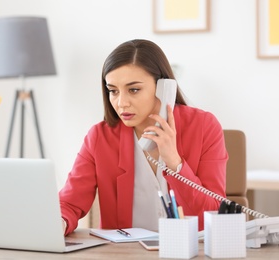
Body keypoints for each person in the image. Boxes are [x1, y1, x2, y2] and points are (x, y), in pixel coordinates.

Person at [59, 39, 228, 236]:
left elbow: (214, 213)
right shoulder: (100, 136)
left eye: (134, 90)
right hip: (125, 254)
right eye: (113, 91)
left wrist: (175, 163)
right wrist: (59, 223)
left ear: (163, 88)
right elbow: (69, 203)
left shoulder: (204, 126)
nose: (121, 103)